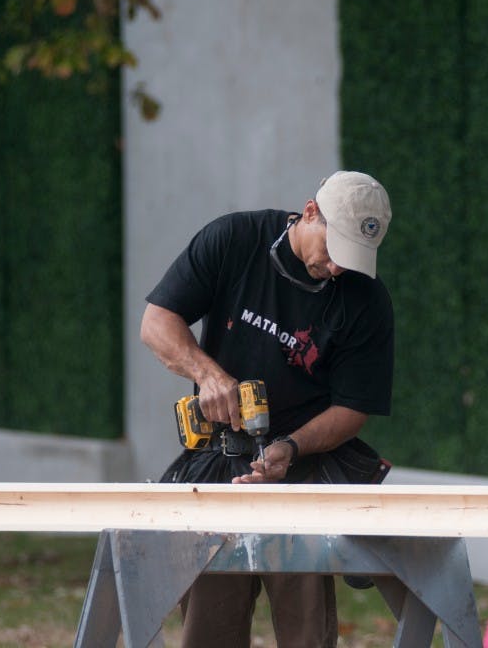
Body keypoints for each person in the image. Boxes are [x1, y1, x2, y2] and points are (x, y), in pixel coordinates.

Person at [140, 170, 395, 648]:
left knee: (306, 634)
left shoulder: (366, 299)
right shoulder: (235, 241)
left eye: (352, 259)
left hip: (302, 475)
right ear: (311, 211)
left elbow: (353, 408)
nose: (338, 268)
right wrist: (208, 375)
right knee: (209, 632)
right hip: (217, 465)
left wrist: (290, 448)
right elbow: (157, 322)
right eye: (333, 250)